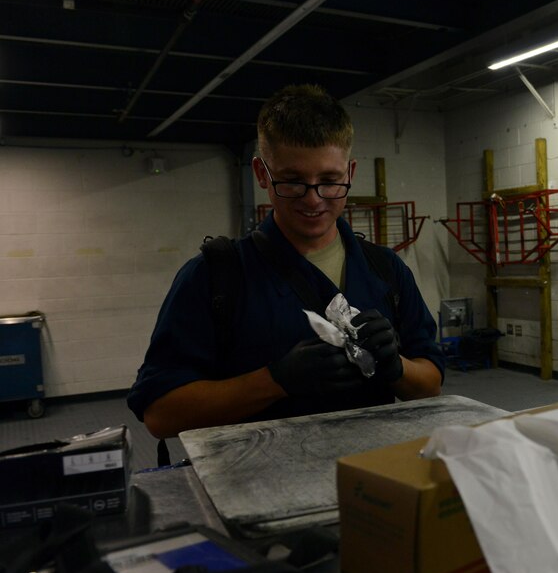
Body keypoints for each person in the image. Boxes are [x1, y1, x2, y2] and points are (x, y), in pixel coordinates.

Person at [128, 84, 443, 438]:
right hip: (255, 472)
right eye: (292, 181)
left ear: (350, 173)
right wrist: (274, 381)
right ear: (262, 173)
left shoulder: (386, 270)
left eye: (330, 180)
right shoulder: (214, 276)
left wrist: (396, 367)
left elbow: (430, 385)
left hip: (372, 469)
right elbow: (160, 414)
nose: (313, 199)